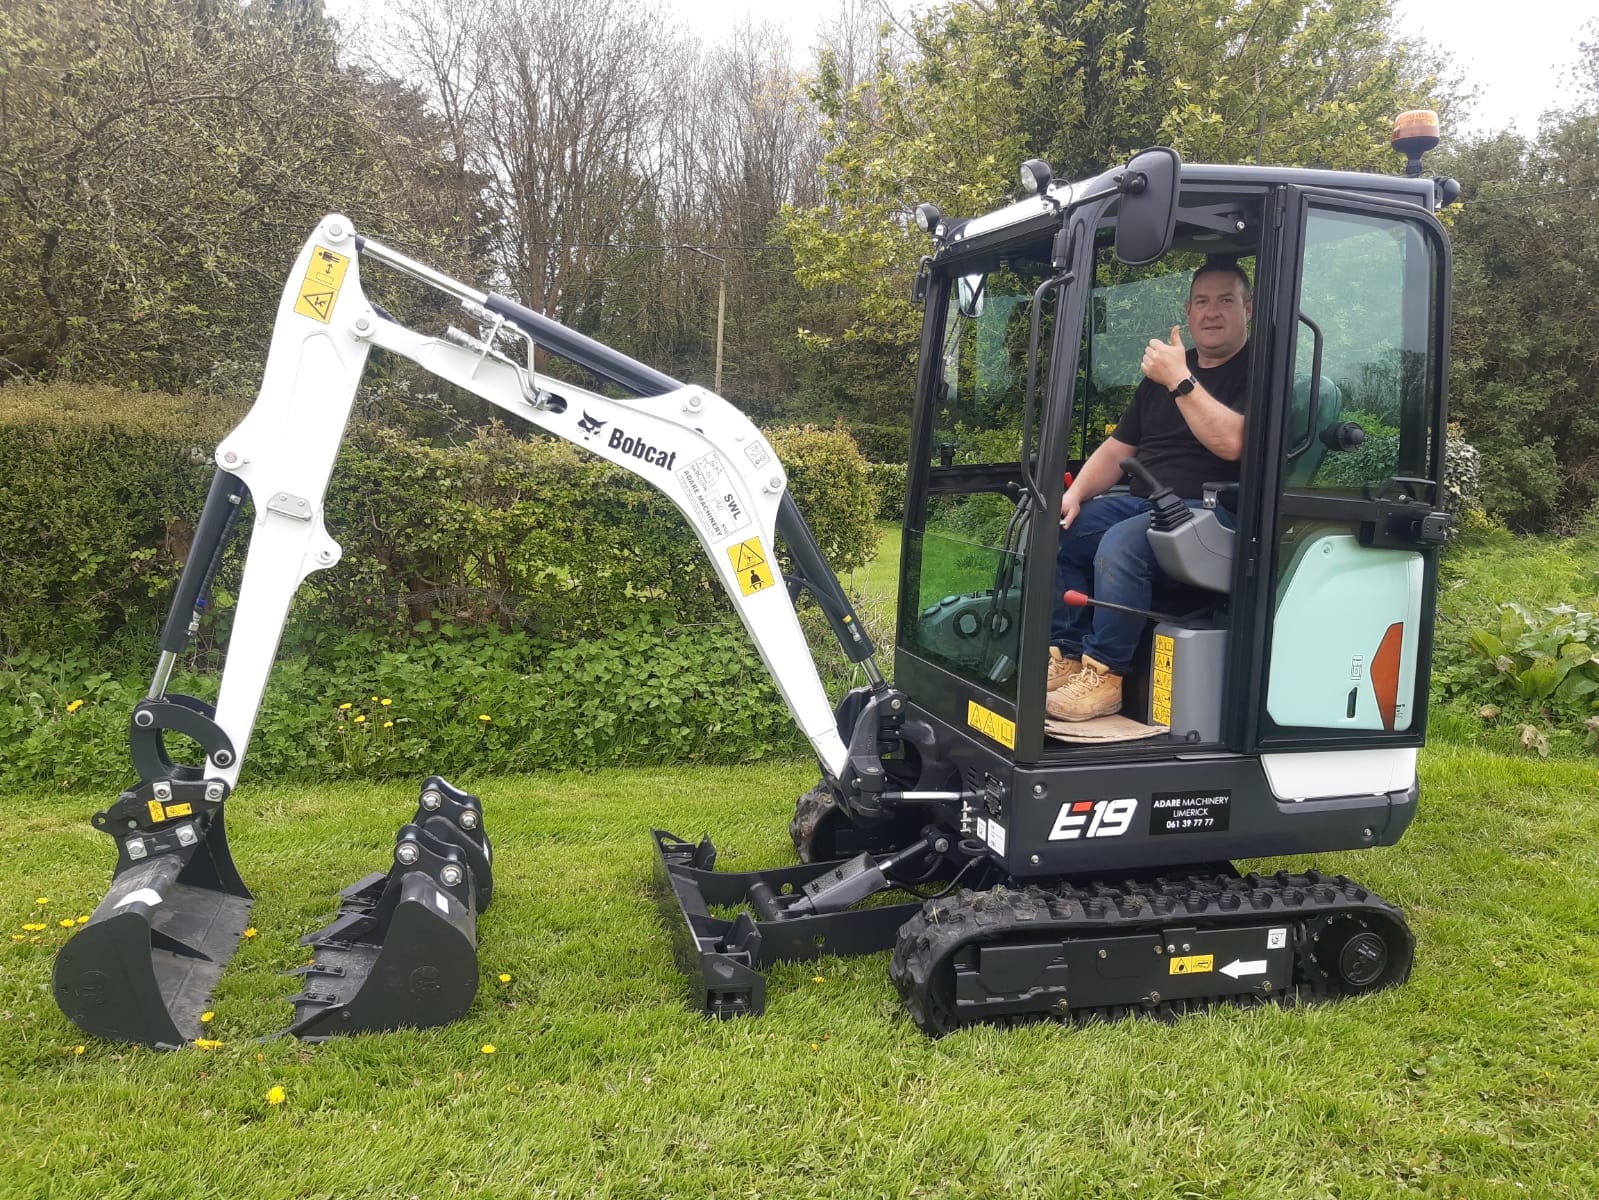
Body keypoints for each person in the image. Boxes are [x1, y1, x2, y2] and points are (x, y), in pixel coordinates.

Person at [1046, 260, 1252, 721]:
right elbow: (1119, 446)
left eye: (1225, 301)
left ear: (1247, 309)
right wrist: (1075, 493)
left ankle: (1106, 676)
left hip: (1213, 512)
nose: (1212, 312)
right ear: (1188, 310)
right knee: (1060, 530)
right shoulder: (1162, 378)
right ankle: (1069, 655)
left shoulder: (1259, 372)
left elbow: (1233, 442)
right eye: (1202, 301)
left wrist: (1181, 379)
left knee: (1121, 546)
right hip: (1146, 502)